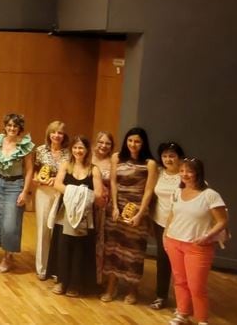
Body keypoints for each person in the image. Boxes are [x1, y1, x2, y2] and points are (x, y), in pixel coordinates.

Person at [163, 158, 229, 325]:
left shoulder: (210, 195)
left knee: (197, 287)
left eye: (189, 171)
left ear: (198, 173)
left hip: (197, 246)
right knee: (179, 281)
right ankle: (182, 313)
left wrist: (207, 236)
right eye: (182, 170)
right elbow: (172, 215)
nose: (185, 174)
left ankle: (202, 320)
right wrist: (165, 235)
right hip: (173, 241)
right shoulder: (177, 192)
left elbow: (222, 221)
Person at [101, 127, 158, 304]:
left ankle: (133, 289)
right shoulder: (116, 157)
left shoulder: (149, 163)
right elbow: (113, 183)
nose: (133, 144)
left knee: (134, 251)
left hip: (137, 208)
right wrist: (115, 206)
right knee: (112, 248)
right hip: (117, 207)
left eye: (138, 141)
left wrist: (141, 213)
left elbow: (149, 190)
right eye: (130, 140)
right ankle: (111, 286)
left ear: (143, 143)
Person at [51, 136, 102, 297]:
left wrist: (81, 196)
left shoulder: (93, 169)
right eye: (75, 148)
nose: (78, 151)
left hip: (85, 215)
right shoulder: (66, 165)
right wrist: (76, 192)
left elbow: (99, 193)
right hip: (65, 213)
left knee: (80, 249)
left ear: (87, 150)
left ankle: (75, 283)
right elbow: (58, 184)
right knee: (64, 247)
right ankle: (62, 281)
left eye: (81, 148)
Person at [0, 113, 34, 274]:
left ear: (20, 128)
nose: (12, 128)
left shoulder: (25, 145)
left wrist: (25, 192)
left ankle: (7, 258)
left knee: (10, 223)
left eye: (15, 126)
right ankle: (7, 253)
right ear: (5, 126)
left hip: (15, 185)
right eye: (9, 125)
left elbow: (29, 170)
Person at [150, 141, 186, 310]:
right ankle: (161, 296)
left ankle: (183, 302)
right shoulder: (158, 172)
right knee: (162, 261)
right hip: (160, 223)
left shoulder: (186, 174)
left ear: (180, 157)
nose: (168, 159)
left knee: (181, 264)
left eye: (172, 156)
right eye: (164, 156)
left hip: (181, 226)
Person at [33, 120, 70, 280]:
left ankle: (56, 268)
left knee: (58, 230)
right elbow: (34, 172)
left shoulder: (69, 153)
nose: (57, 135)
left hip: (61, 194)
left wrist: (56, 180)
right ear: (49, 133)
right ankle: (42, 268)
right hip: (43, 192)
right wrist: (40, 180)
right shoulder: (40, 150)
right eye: (54, 132)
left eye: (60, 133)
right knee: (43, 229)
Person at [92, 131, 115, 284]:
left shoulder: (113, 162)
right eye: (101, 142)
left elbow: (114, 185)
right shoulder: (88, 158)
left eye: (107, 143)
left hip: (103, 207)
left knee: (102, 242)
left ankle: (99, 278)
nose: (103, 146)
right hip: (87, 205)